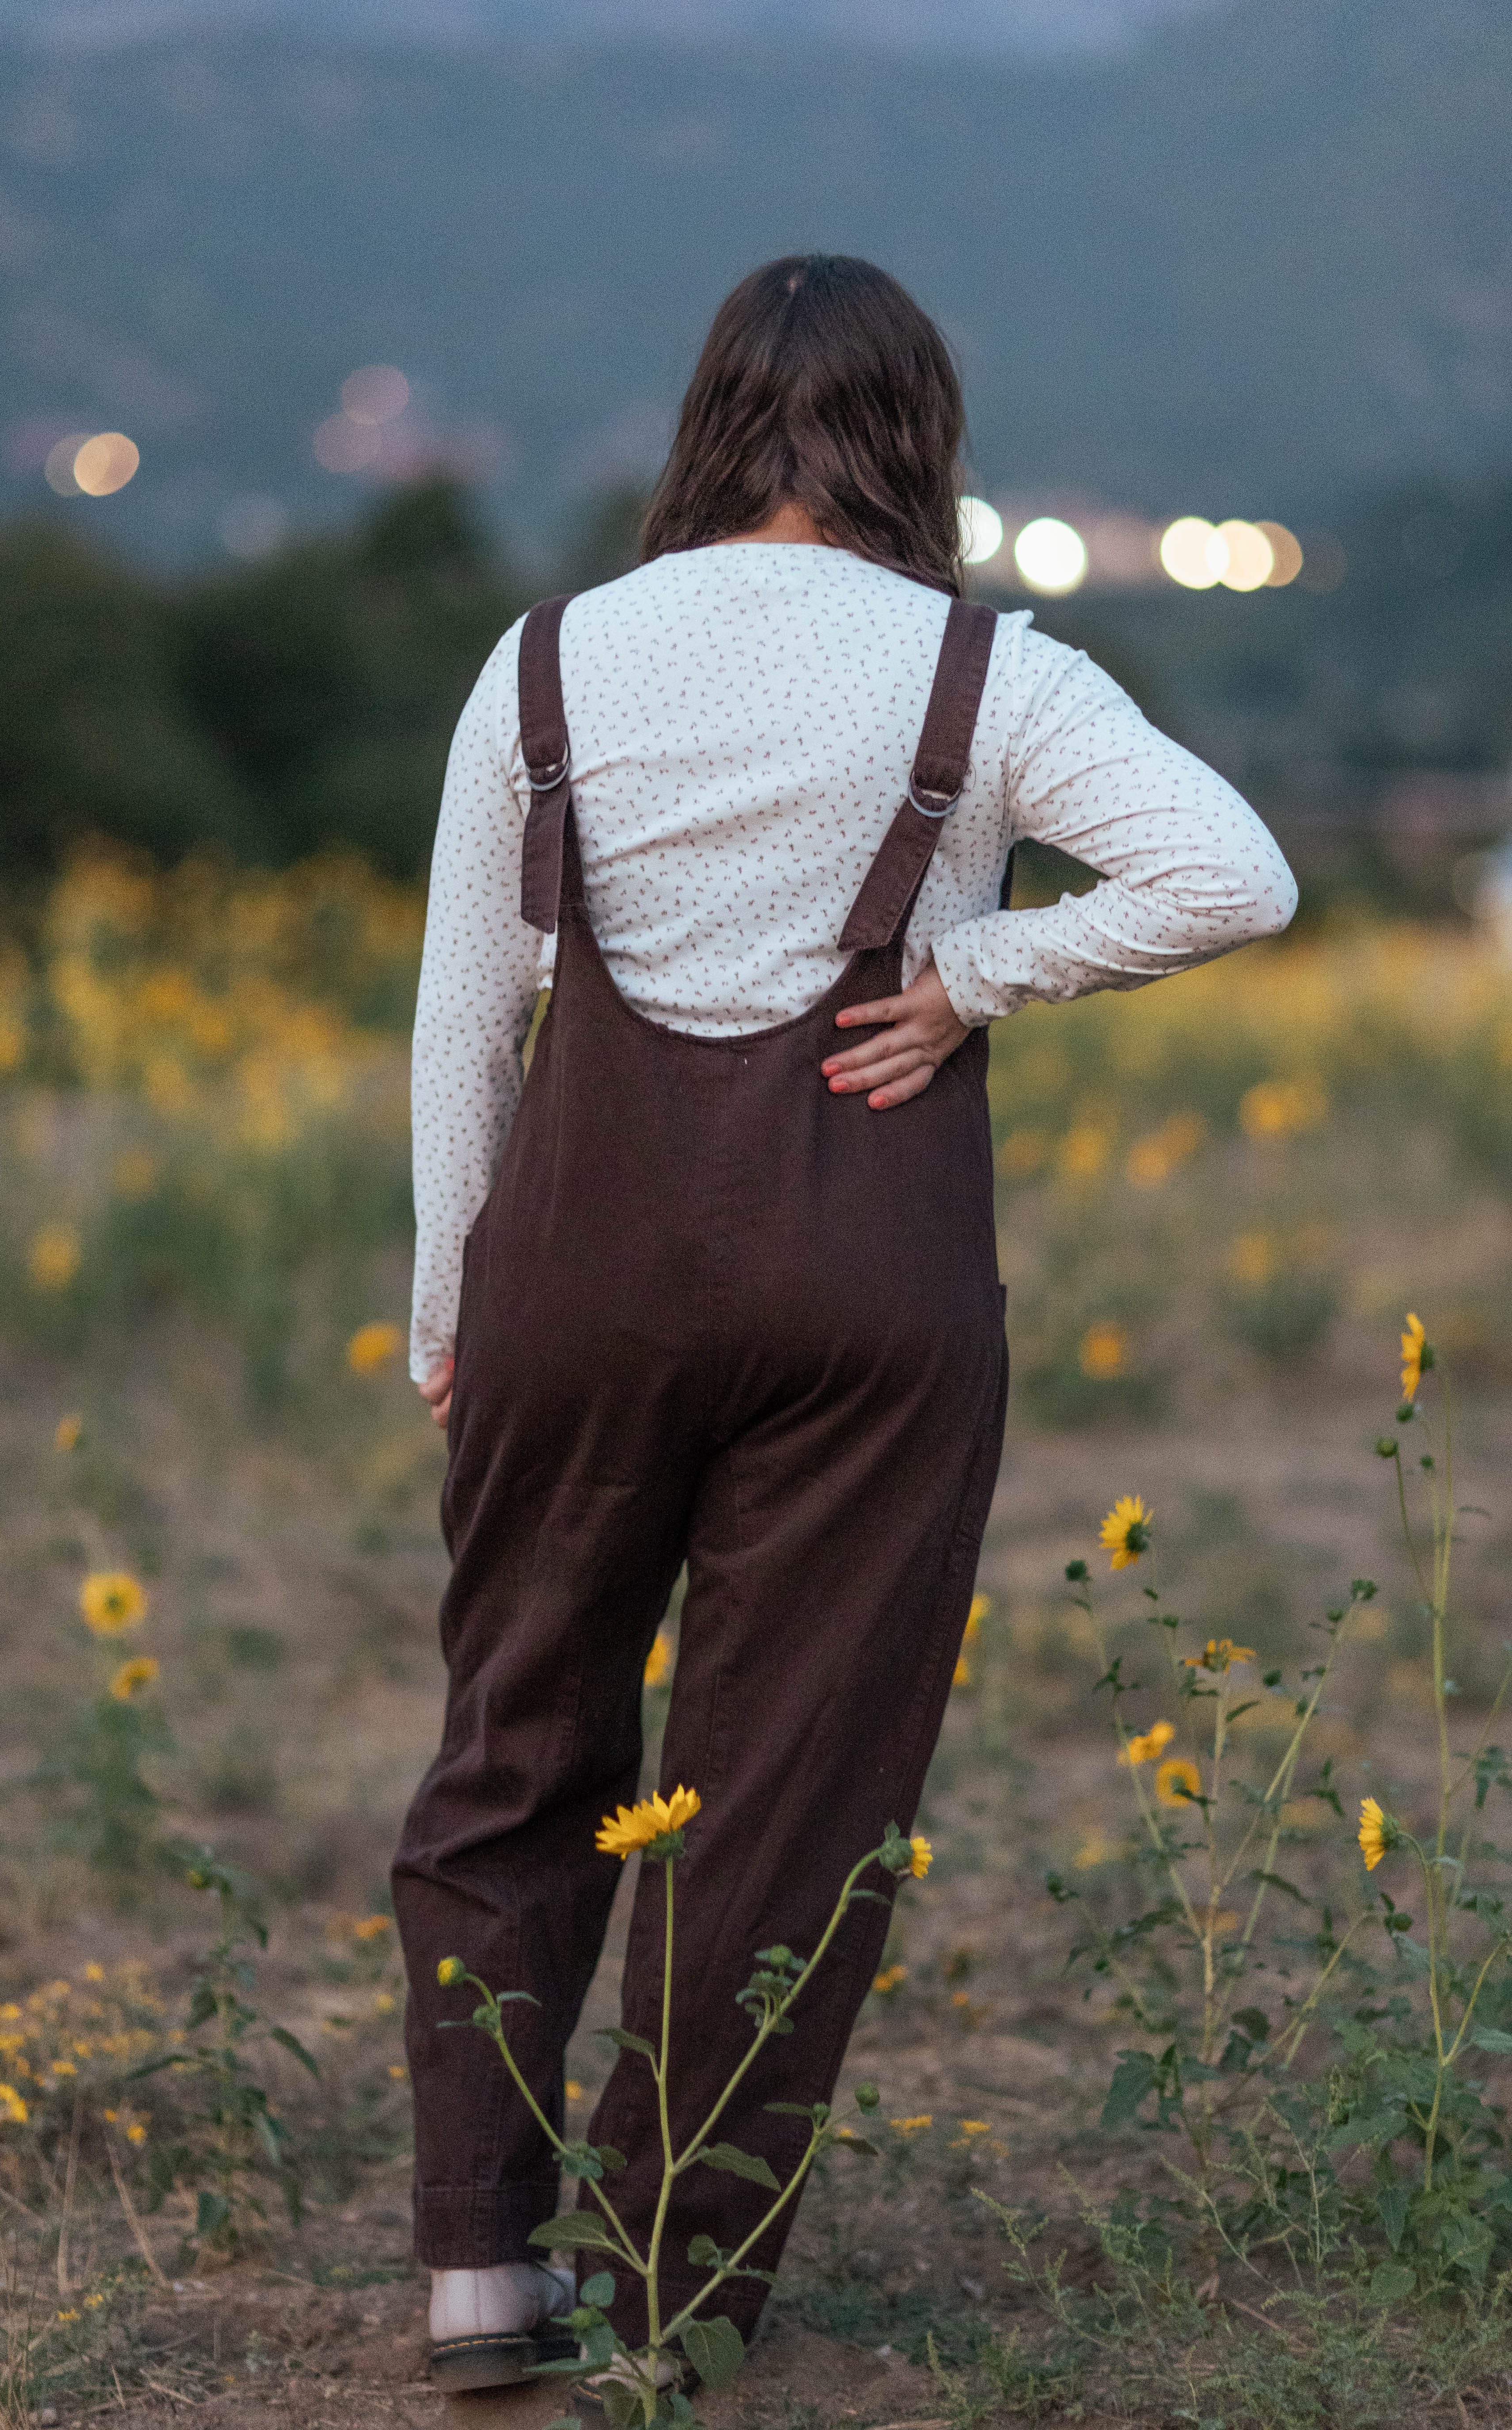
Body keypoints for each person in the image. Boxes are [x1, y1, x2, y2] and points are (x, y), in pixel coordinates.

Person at [391, 254, 1297, 2394]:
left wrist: (452, 1302)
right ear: (918, 433)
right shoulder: (986, 676)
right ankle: (665, 2290)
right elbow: (1235, 875)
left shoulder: (543, 667)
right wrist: (974, 977)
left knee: (518, 1737)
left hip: (575, 1278)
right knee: (784, 1793)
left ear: (714, 422)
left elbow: (464, 1024)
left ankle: (472, 2270)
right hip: (865, 1285)